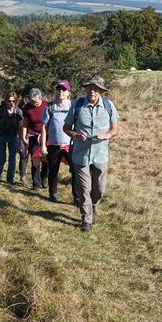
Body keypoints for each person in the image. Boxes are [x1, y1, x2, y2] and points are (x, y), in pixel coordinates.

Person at [63, 75, 119, 232]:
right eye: (90, 87)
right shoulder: (78, 105)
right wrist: (75, 135)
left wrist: (107, 135)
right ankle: (86, 218)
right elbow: (66, 127)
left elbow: (115, 128)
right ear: (86, 88)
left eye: (96, 88)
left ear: (101, 91)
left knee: (99, 188)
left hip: (101, 155)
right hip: (80, 155)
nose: (92, 90)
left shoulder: (108, 105)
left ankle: (93, 206)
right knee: (84, 188)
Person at [40, 80, 73, 203]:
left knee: (75, 171)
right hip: (53, 144)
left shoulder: (73, 106)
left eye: (63, 90)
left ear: (68, 92)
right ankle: (52, 194)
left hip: (70, 145)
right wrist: (43, 145)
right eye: (58, 89)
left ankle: (77, 197)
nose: (61, 92)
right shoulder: (50, 106)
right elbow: (44, 127)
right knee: (53, 170)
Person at [0, 91, 23, 185]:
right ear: (6, 101)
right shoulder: (0, 111)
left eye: (13, 101)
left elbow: (20, 129)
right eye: (9, 101)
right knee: (2, 158)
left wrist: (20, 143)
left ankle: (10, 180)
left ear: (16, 101)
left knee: (12, 159)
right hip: (1, 136)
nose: (11, 103)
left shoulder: (19, 112)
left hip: (13, 137)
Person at [21, 88, 49, 189]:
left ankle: (44, 177)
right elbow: (25, 124)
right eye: (32, 101)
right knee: (35, 159)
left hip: (46, 135)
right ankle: (36, 184)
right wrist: (24, 136)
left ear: (40, 98)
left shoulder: (47, 105)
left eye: (36, 101)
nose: (34, 103)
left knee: (45, 158)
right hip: (33, 135)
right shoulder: (27, 108)